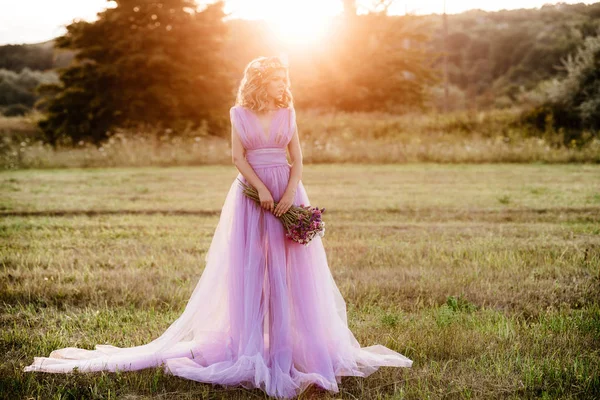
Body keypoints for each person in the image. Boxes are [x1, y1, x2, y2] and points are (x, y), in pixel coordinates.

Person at [23, 55, 413, 399]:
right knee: (251, 266)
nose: (284, 85)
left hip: (288, 193)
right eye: (278, 79)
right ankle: (252, 347)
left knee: (293, 268)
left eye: (285, 79)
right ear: (261, 81)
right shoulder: (238, 114)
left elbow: (298, 159)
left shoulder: (289, 114)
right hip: (251, 195)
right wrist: (261, 189)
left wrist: (290, 196)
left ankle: (293, 345)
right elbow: (237, 157)